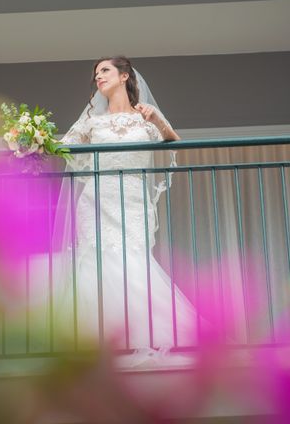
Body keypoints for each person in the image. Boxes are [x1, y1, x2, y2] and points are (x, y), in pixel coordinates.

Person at [52, 56, 197, 360]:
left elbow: (175, 141)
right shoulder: (91, 122)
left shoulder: (145, 117)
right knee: (94, 260)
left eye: (105, 71)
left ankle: (144, 334)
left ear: (124, 76)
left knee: (134, 259)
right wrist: (34, 137)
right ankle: (97, 341)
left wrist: (157, 119)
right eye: (96, 74)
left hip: (132, 198)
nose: (98, 77)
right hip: (95, 197)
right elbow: (63, 146)